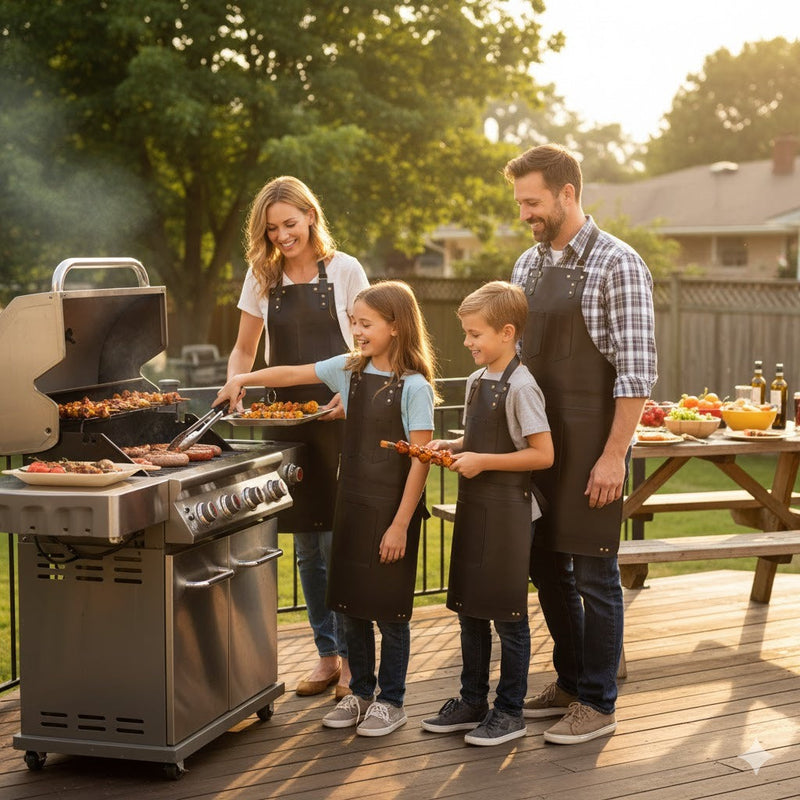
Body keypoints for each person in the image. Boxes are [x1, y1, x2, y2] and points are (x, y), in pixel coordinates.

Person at [217, 280, 437, 737]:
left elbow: (420, 465)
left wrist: (399, 525)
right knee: (350, 603)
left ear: (395, 327)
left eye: (365, 324)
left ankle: (391, 701)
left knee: (390, 611)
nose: (356, 331)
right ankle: (360, 694)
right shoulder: (349, 370)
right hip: (351, 505)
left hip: (392, 513)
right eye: (354, 322)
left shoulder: (415, 388)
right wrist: (242, 378)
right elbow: (291, 373)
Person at [504, 144, 657, 744]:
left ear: (569, 194)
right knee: (545, 566)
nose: (525, 214)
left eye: (534, 202)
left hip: (595, 443)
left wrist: (614, 455)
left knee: (595, 571)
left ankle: (598, 701)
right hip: (541, 445)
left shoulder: (618, 264)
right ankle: (569, 681)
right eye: (520, 203)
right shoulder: (527, 265)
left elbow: (637, 373)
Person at [227, 176, 369, 699]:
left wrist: (350, 398)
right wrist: (234, 385)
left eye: (290, 223)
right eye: (272, 229)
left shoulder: (346, 269)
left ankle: (356, 660)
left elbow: (367, 343)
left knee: (339, 541)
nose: (283, 236)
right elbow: (245, 350)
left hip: (338, 415)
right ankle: (327, 654)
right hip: (284, 417)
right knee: (308, 546)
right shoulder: (262, 277)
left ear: (311, 215)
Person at [420, 281, 553, 746]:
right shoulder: (478, 382)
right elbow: (477, 441)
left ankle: (510, 711)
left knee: (508, 614)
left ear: (507, 332)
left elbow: (542, 455)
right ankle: (472, 700)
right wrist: (453, 446)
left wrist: (482, 462)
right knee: (469, 608)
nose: (467, 341)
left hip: (510, 515)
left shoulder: (522, 386)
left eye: (474, 333)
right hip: (476, 510)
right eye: (466, 332)